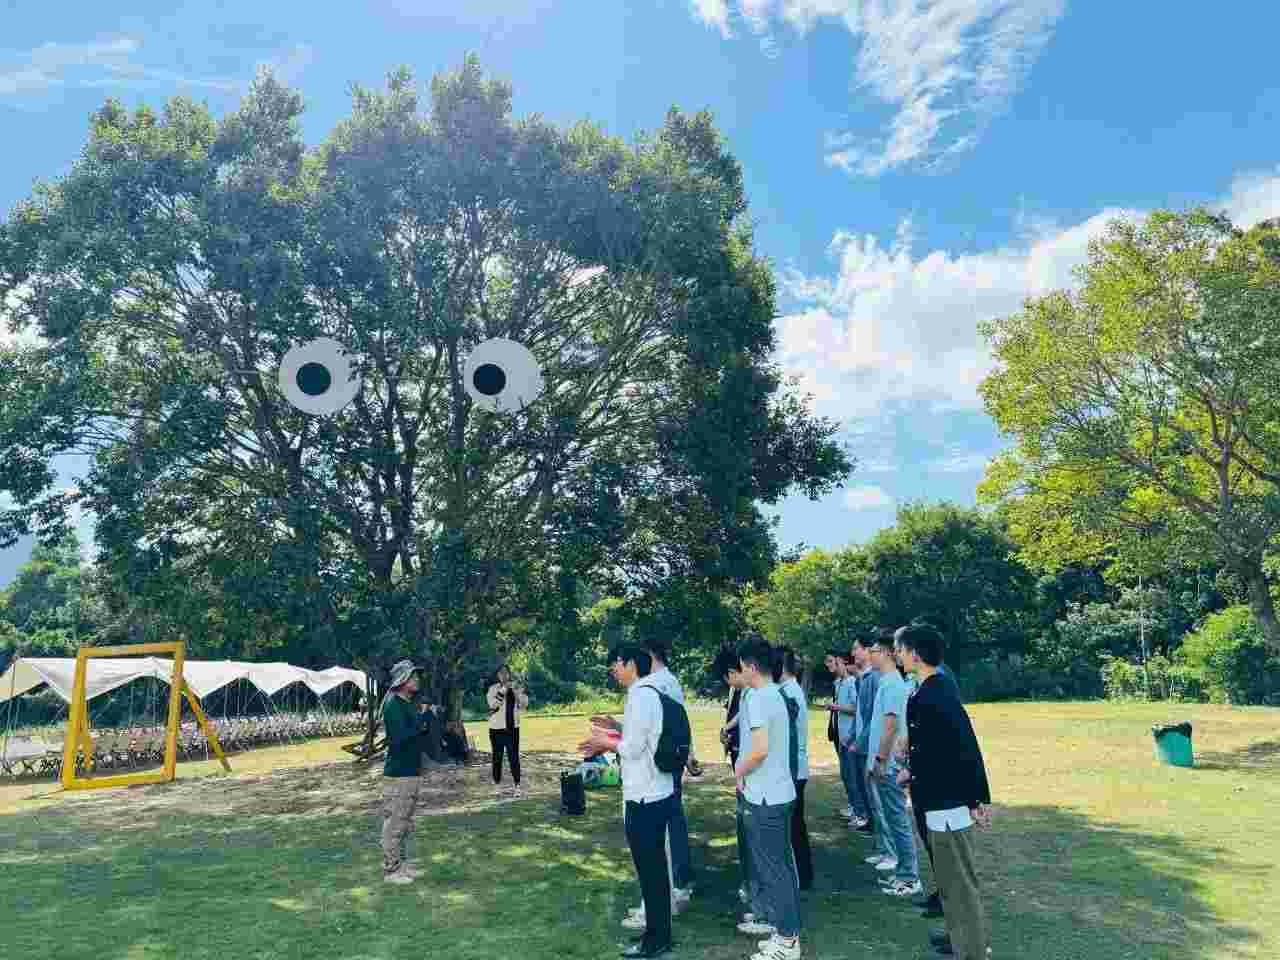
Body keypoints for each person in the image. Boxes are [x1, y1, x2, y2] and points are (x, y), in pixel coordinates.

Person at [895, 624, 992, 960]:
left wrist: (977, 799)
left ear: (915, 654)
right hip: (936, 801)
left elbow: (964, 747)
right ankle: (958, 940)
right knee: (949, 882)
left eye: (901, 649)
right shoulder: (926, 690)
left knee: (960, 885)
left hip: (948, 803)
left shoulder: (937, 691)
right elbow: (933, 747)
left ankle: (972, 951)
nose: (898, 655)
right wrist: (912, 767)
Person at [579, 645, 676, 959]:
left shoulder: (640, 695)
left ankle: (656, 941)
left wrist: (602, 742)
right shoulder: (648, 693)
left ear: (630, 664)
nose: (613, 672)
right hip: (654, 791)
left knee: (651, 873)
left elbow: (632, 749)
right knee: (654, 871)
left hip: (645, 796)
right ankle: (657, 936)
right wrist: (613, 732)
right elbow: (641, 740)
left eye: (615, 666)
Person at [735, 638, 802, 960]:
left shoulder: (760, 697)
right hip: (779, 793)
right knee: (782, 868)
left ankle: (788, 942)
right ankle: (784, 932)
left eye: (741, 668)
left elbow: (760, 750)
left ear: (751, 667)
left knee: (774, 870)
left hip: (766, 798)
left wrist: (739, 771)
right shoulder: (775, 692)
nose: (740, 673)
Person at [866, 634, 921, 898]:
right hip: (883, 764)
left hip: (888, 766)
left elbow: (890, 727)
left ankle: (910, 877)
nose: (870, 655)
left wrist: (879, 760)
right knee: (892, 818)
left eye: (874, 650)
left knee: (898, 820)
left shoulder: (892, 684)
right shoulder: (887, 682)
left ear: (887, 653)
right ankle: (903, 872)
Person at [380, 659, 434, 885]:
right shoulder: (393, 704)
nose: (417, 680)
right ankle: (391, 870)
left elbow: (415, 732)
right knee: (395, 822)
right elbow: (399, 738)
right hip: (399, 773)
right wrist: (422, 723)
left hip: (411, 771)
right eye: (413, 676)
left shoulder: (407, 703)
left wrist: (424, 719)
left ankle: (401, 864)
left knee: (405, 822)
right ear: (402, 680)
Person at [777, 647, 813, 892]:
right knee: (795, 825)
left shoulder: (788, 692)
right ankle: (802, 873)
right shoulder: (790, 689)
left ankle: (801, 874)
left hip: (794, 770)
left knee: (794, 827)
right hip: (796, 768)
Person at [825, 650, 863, 827]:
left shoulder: (851, 683)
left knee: (852, 776)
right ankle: (853, 807)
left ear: (845, 664)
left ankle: (859, 812)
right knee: (846, 775)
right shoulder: (838, 683)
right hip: (840, 736)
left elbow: (856, 709)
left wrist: (836, 707)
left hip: (849, 737)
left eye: (836, 662)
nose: (833, 666)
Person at [851, 636, 881, 838]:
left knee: (874, 795)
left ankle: (880, 835)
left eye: (856, 648)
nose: (853, 653)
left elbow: (874, 717)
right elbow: (861, 714)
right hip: (863, 744)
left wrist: (860, 741)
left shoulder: (874, 678)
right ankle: (873, 826)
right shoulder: (864, 678)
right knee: (866, 790)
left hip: (869, 746)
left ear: (868, 650)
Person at [487, 665, 529, 799]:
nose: (504, 675)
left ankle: (517, 786)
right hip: (496, 729)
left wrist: (517, 693)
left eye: (506, 673)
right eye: (501, 673)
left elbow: (524, 705)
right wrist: (504, 690)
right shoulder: (493, 689)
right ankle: (497, 786)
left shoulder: (516, 687)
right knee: (497, 758)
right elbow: (493, 705)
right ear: (497, 675)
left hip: (512, 729)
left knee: (514, 758)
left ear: (509, 674)